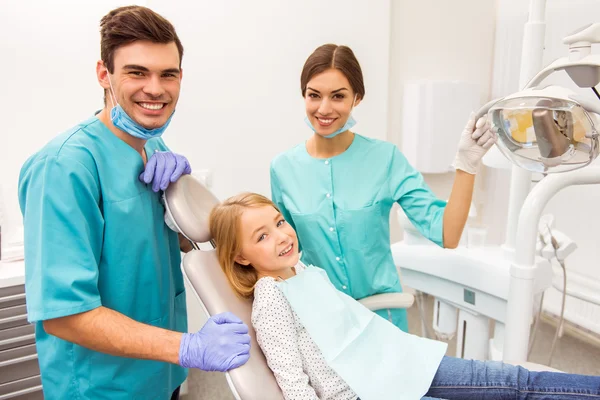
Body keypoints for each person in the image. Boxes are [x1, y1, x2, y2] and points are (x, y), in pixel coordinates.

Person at [18, 6, 250, 399]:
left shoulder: (154, 146)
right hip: (102, 387)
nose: (155, 89)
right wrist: (188, 347)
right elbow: (64, 315)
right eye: (137, 72)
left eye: (168, 74)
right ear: (103, 74)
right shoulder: (64, 168)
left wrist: (184, 204)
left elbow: (159, 246)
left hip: (163, 379)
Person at [209, 192, 600, 400]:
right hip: (367, 393)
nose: (281, 236)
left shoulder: (306, 272)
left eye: (279, 222)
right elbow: (294, 385)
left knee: (513, 382)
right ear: (240, 256)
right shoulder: (270, 299)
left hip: (399, 363)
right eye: (262, 236)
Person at [270, 44, 496, 331]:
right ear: (304, 95)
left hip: (382, 320)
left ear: (357, 98)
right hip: (323, 322)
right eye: (314, 95)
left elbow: (446, 233)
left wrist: (467, 165)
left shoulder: (385, 159)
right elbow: (286, 257)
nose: (324, 108)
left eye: (338, 96)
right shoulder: (283, 169)